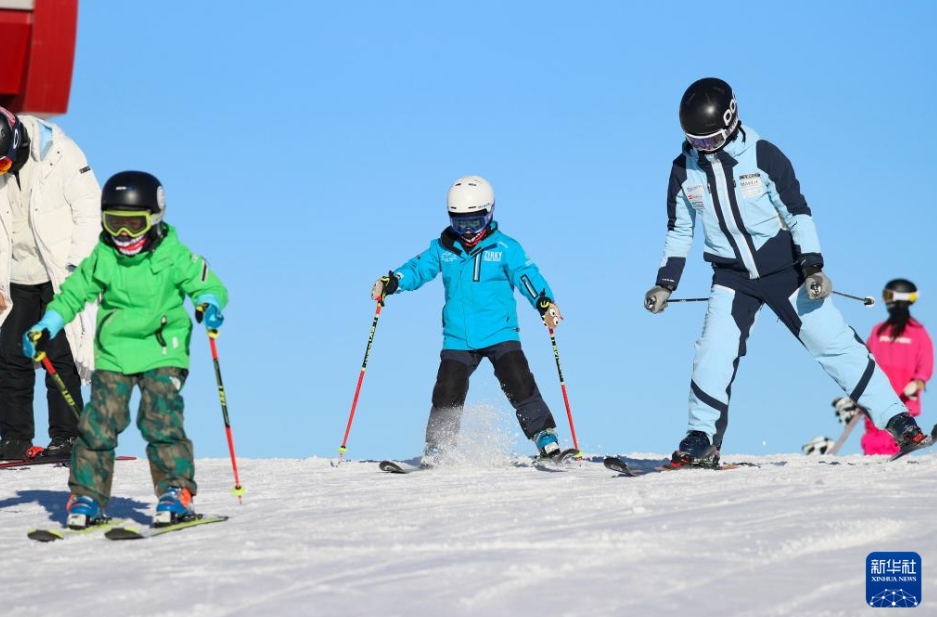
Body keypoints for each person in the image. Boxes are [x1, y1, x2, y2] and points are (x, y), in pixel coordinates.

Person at [644, 77, 928, 467]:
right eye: (695, 140)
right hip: (731, 276)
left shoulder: (763, 155)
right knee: (713, 350)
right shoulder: (683, 169)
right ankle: (701, 437)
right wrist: (665, 282)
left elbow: (797, 212)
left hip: (785, 268)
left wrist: (813, 265)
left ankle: (899, 422)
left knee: (832, 343)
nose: (702, 148)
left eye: (710, 140)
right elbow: (679, 229)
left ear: (731, 121)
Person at [21, 170, 228, 529]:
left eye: (133, 224)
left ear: (155, 218)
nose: (123, 234)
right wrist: (47, 324)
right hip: (115, 354)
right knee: (98, 426)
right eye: (114, 223)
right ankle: (86, 496)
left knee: (160, 419)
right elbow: (72, 294)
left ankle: (175, 492)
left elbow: (205, 282)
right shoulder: (104, 256)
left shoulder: (173, 255)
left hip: (163, 351)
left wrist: (208, 304)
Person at [370, 175, 565, 466]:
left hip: (500, 332)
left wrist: (544, 303)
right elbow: (418, 268)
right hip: (459, 336)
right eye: (460, 223)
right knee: (447, 391)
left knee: (520, 382)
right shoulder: (443, 248)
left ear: (490, 213)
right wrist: (393, 281)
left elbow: (527, 276)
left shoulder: (505, 247)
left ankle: (545, 439)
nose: (468, 230)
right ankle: (439, 449)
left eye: (475, 221)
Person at [0, 105, 99, 461]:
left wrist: (76, 265)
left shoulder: (61, 153)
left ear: (16, 142)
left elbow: (90, 209)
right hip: (16, 272)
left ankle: (69, 436)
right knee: (11, 349)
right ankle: (13, 438)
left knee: (59, 350)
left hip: (60, 271)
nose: (3, 171)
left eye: (4, 163)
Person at [858, 279, 932, 455]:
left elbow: (926, 363)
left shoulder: (918, 333)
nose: (887, 301)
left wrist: (918, 382)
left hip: (903, 398)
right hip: (876, 396)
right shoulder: (879, 331)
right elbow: (865, 359)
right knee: (875, 437)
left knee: (899, 435)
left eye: (889, 296)